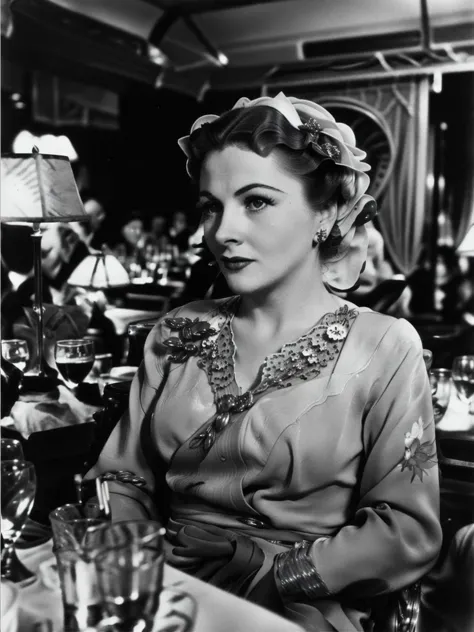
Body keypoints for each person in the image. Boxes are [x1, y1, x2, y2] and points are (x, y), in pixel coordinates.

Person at [85, 93, 442, 632]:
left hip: (300, 602)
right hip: (167, 587)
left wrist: (281, 572)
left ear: (325, 213)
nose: (223, 230)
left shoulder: (386, 347)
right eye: (211, 205)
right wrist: (141, 561)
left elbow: (407, 531)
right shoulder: (177, 331)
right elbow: (120, 477)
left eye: (256, 201)